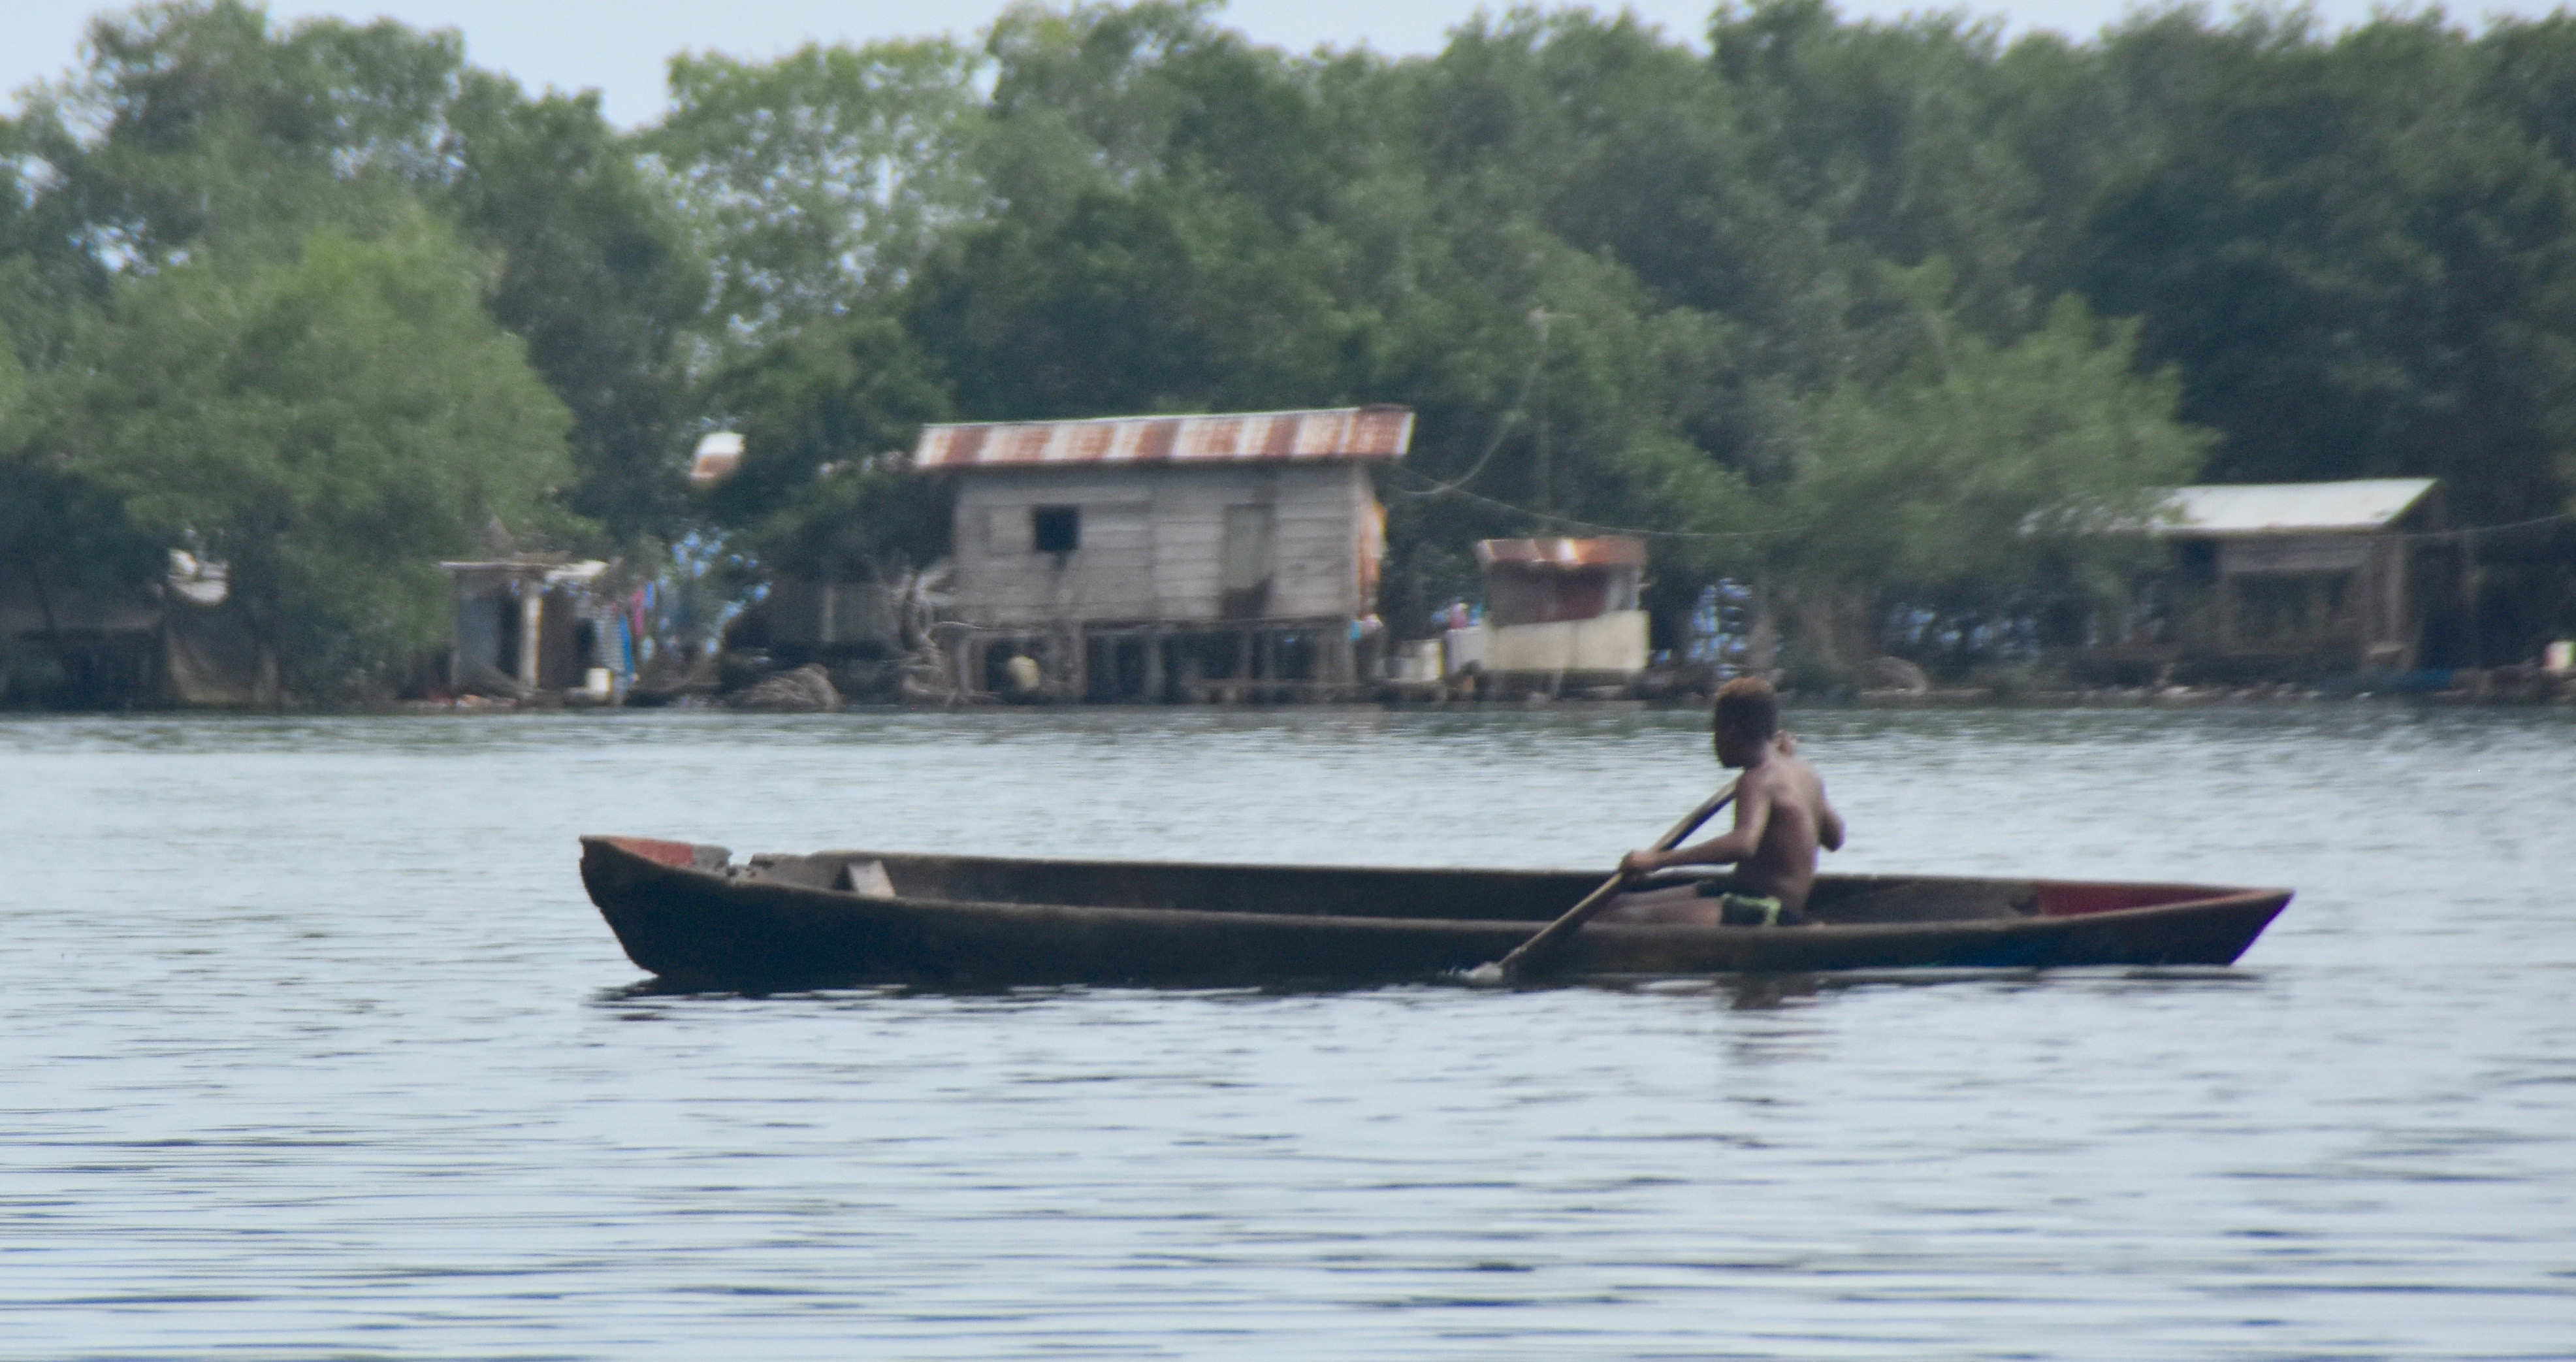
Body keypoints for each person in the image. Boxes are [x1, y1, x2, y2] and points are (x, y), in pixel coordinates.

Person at [1600, 677, 1844, 926]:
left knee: (1621, 918)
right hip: (1743, 891)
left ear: (1730, 730)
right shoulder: (1805, 773)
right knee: (1617, 905)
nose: (1714, 740)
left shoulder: (1756, 779)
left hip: (1766, 909)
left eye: (1715, 730)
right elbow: (1835, 839)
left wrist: (1655, 861)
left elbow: (1741, 845)